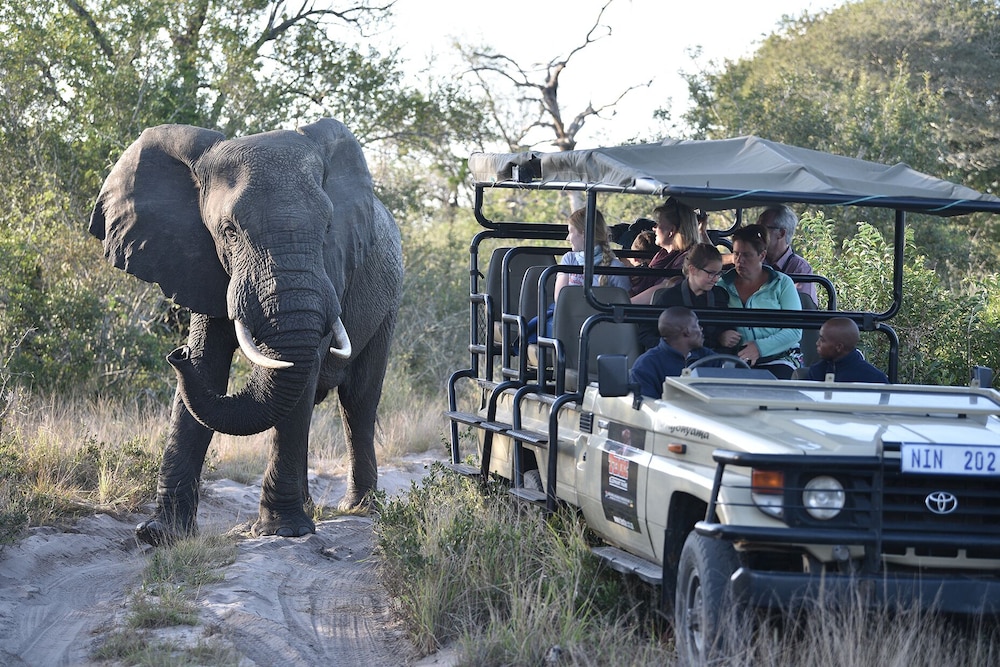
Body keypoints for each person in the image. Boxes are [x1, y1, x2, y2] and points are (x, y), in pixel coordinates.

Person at [526, 207, 629, 342]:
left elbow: (624, 306)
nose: (567, 238)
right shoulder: (569, 259)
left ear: (584, 234)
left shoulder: (616, 268)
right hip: (568, 318)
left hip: (599, 326)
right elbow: (560, 298)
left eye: (570, 232)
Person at [720, 224, 802, 379]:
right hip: (736, 358)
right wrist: (721, 335)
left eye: (747, 255)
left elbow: (794, 331)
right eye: (736, 254)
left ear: (762, 256)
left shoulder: (782, 283)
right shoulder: (722, 286)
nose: (740, 260)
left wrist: (759, 348)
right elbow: (712, 325)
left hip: (780, 357)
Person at [638, 243, 741, 351]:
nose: (716, 279)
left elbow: (728, 328)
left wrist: (724, 336)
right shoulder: (669, 298)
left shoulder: (720, 296)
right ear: (692, 269)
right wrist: (672, 348)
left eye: (718, 274)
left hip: (712, 357)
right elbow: (646, 333)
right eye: (711, 273)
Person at [630, 307, 716, 398]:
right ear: (687, 331)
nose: (701, 330)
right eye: (697, 325)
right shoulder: (646, 365)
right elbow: (646, 404)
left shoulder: (711, 358)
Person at [630, 198, 700, 303]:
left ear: (671, 231)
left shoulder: (686, 259)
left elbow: (665, 287)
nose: (654, 228)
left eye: (658, 224)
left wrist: (627, 303)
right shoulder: (663, 254)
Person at [757, 204, 816, 303]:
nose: (757, 234)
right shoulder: (754, 260)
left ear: (781, 233)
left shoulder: (800, 269)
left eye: (762, 229)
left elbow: (800, 307)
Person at [807, 317, 889, 383]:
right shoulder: (816, 371)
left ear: (839, 347)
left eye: (822, 340)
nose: (817, 343)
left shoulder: (874, 378)